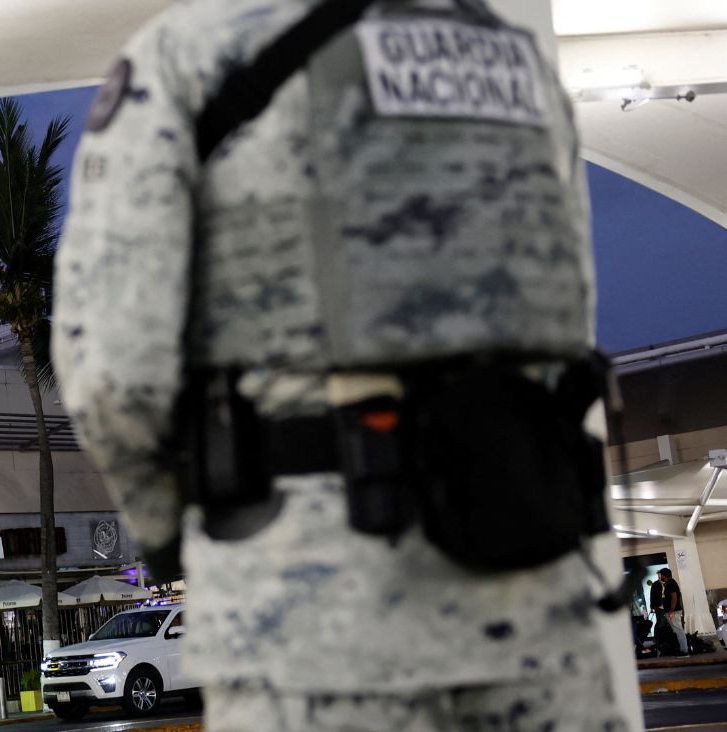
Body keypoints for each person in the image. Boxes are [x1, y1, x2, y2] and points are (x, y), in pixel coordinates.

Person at [52, 0, 627, 729]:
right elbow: (569, 309)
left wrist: (167, 539)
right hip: (538, 596)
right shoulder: (510, 51)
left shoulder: (187, 53)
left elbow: (114, 374)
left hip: (312, 622)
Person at [655, 568, 689, 655]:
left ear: (664, 575)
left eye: (660, 574)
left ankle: (684, 650)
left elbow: (674, 597)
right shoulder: (668, 583)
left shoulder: (671, 583)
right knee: (677, 631)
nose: (660, 576)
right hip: (671, 611)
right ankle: (682, 649)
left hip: (673, 611)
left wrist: (671, 610)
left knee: (679, 631)